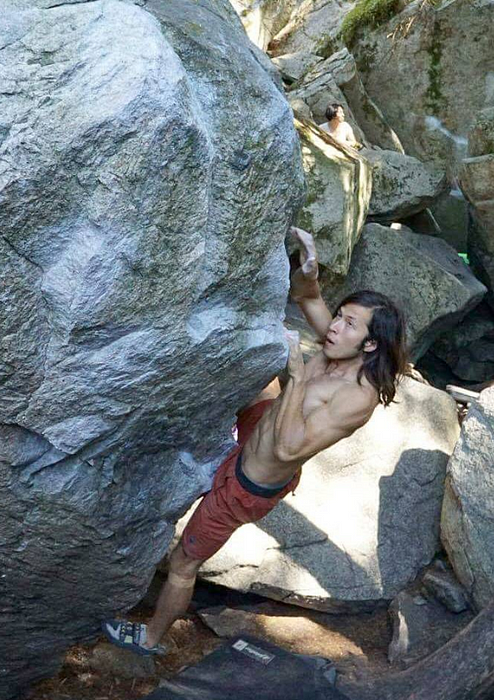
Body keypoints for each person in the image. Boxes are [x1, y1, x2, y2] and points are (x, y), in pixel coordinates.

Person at [102, 227, 408, 655]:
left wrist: (298, 378)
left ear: (370, 344)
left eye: (348, 323)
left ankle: (152, 639)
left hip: (250, 482)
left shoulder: (356, 398)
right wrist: (310, 268)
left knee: (185, 563)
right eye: (339, 316)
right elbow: (307, 297)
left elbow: (288, 449)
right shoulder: (341, 346)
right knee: (259, 385)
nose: (334, 326)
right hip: (255, 432)